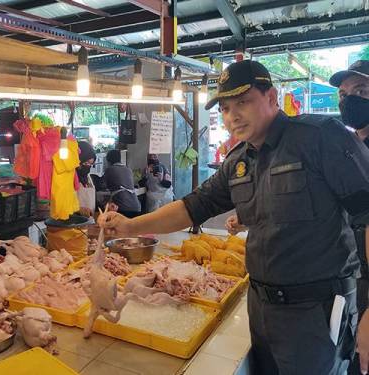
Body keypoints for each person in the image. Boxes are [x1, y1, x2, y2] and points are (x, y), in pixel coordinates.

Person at [99, 60, 369, 374]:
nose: (232, 116)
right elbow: (192, 207)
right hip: (260, 307)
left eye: (243, 102)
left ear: (271, 97)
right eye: (225, 108)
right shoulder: (238, 161)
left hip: (315, 311)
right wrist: (131, 225)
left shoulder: (319, 137)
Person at [330, 59, 369, 375]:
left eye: (361, 91)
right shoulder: (353, 149)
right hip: (355, 281)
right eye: (343, 94)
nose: (348, 100)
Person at [103, 149, 140, 218]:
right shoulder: (128, 169)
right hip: (136, 206)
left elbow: (103, 185)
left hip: (123, 206)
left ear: (108, 160)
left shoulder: (110, 169)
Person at [76, 141, 96, 217]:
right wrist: (78, 209)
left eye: (91, 164)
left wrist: (106, 207)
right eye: (86, 163)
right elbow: (60, 203)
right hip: (72, 222)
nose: (88, 167)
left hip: (88, 222)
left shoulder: (87, 177)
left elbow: (92, 201)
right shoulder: (68, 177)